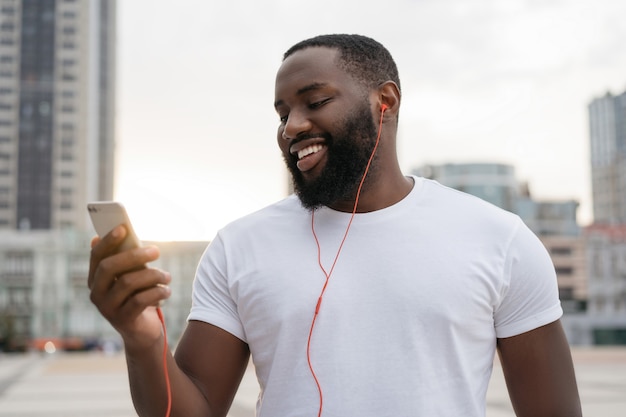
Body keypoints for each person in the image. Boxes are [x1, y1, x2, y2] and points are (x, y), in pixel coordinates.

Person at [88, 34, 582, 417]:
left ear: (384, 102)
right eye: (282, 113)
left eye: (315, 101)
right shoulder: (239, 246)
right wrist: (143, 339)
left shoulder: (499, 239)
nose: (291, 127)